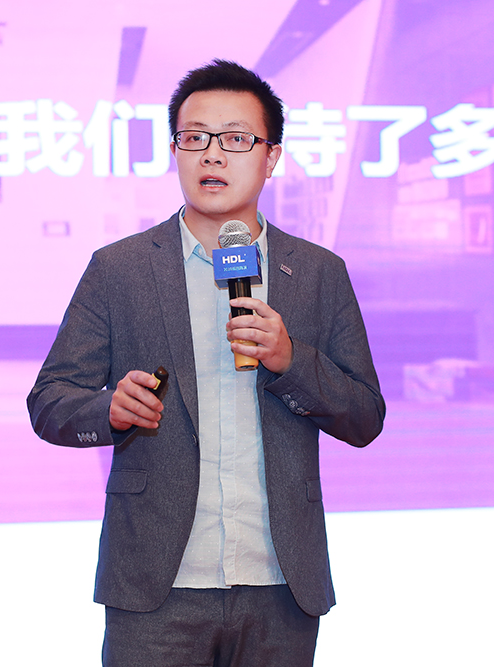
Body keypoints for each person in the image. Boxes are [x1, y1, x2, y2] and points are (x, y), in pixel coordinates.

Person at [27, 59, 385, 667]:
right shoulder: (120, 269)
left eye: (236, 139)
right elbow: (50, 402)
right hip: (156, 583)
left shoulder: (318, 273)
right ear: (175, 152)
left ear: (271, 157)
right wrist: (109, 409)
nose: (212, 154)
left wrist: (291, 361)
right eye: (194, 138)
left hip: (281, 581)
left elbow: (365, 417)